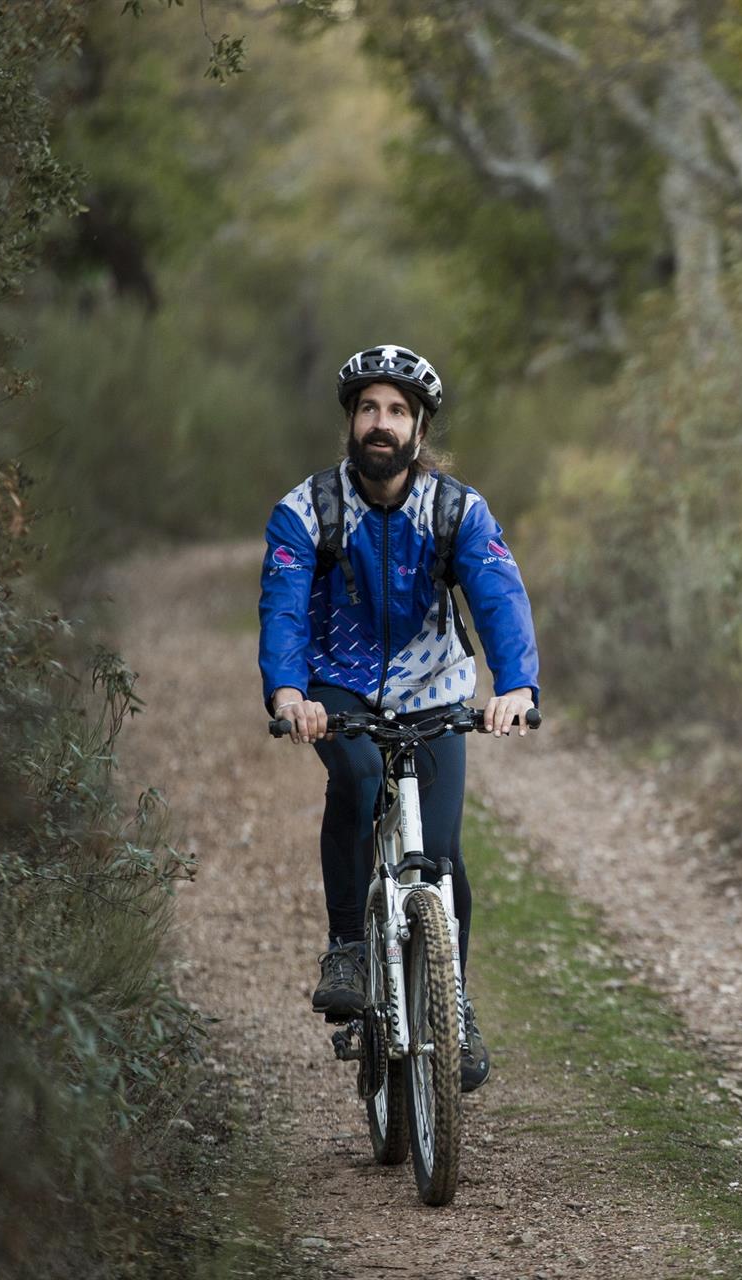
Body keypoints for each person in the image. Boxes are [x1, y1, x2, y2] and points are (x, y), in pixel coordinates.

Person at [258, 343, 540, 1093]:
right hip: (337, 689)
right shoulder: (307, 510)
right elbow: (283, 612)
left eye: (397, 411)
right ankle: (350, 944)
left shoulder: (455, 509)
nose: (381, 424)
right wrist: (290, 695)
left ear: (419, 428)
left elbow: (500, 597)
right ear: (350, 422)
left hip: (435, 688)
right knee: (354, 779)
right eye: (368, 409)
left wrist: (515, 685)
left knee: (443, 857)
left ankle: (455, 1005)